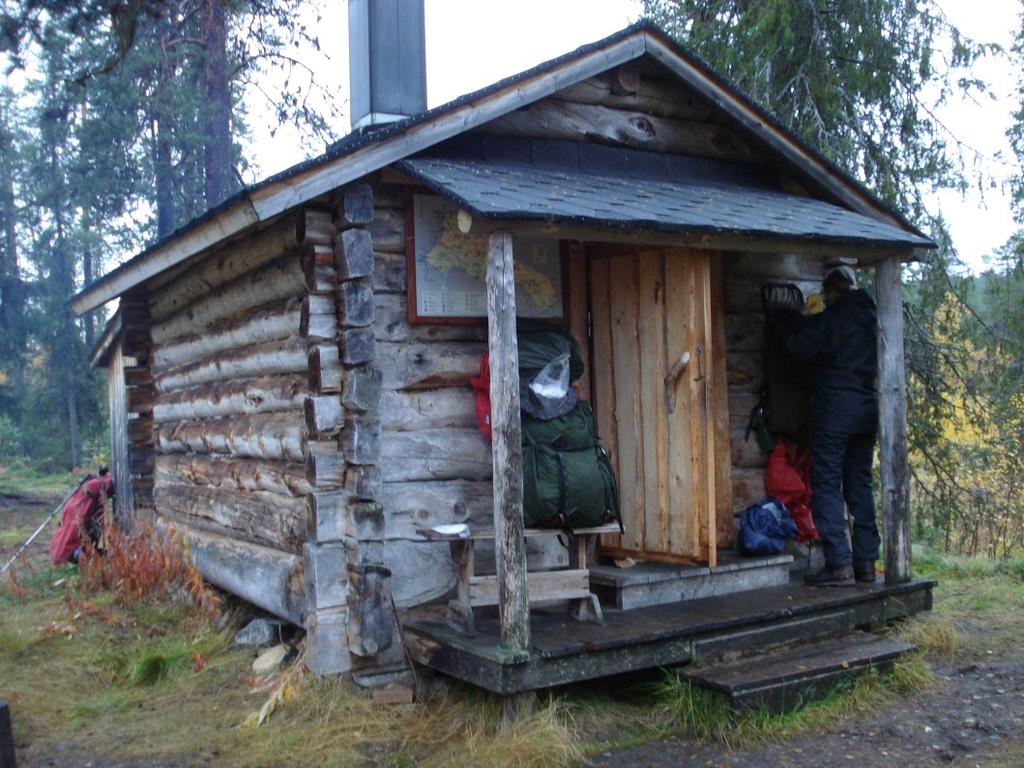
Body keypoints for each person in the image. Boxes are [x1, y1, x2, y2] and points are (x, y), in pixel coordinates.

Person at [779, 265, 879, 586]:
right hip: (866, 413)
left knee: (826, 485)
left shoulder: (832, 320)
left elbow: (796, 348)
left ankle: (838, 563)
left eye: (826, 295)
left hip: (833, 413)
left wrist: (792, 318)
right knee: (859, 485)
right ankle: (865, 562)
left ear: (833, 292)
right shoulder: (871, 318)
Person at [49, 469, 114, 565]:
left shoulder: (76, 497)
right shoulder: (90, 487)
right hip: (74, 544)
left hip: (71, 538)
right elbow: (99, 486)